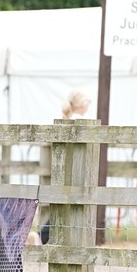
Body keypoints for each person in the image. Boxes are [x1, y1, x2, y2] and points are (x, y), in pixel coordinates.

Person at [39, 89, 95, 244]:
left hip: (63, 171)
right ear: (82, 104)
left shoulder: (67, 119)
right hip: (77, 171)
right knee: (71, 208)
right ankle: (43, 236)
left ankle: (43, 236)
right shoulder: (81, 121)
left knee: (62, 208)